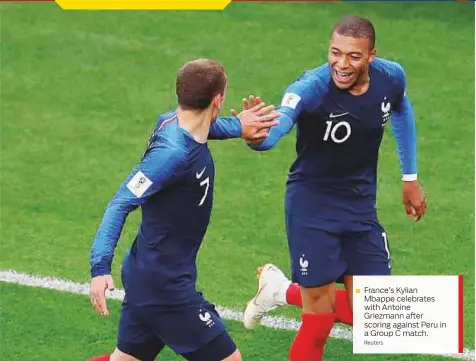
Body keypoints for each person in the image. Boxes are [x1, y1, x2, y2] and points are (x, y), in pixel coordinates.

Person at [240, 15, 427, 361]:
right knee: (319, 320)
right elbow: (280, 124)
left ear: (372, 55)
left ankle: (280, 290)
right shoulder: (310, 87)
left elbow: (401, 108)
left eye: (354, 56)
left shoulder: (391, 77)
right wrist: (258, 138)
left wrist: (409, 177)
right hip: (312, 209)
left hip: (359, 208)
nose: (341, 64)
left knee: (379, 316)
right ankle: (291, 292)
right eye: (335, 53)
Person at [87, 58, 280, 361]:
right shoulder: (171, 156)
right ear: (219, 99)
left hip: (148, 274)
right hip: (165, 288)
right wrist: (99, 268)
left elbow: (204, 128)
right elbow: (120, 203)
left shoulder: (173, 123)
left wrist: (239, 126)